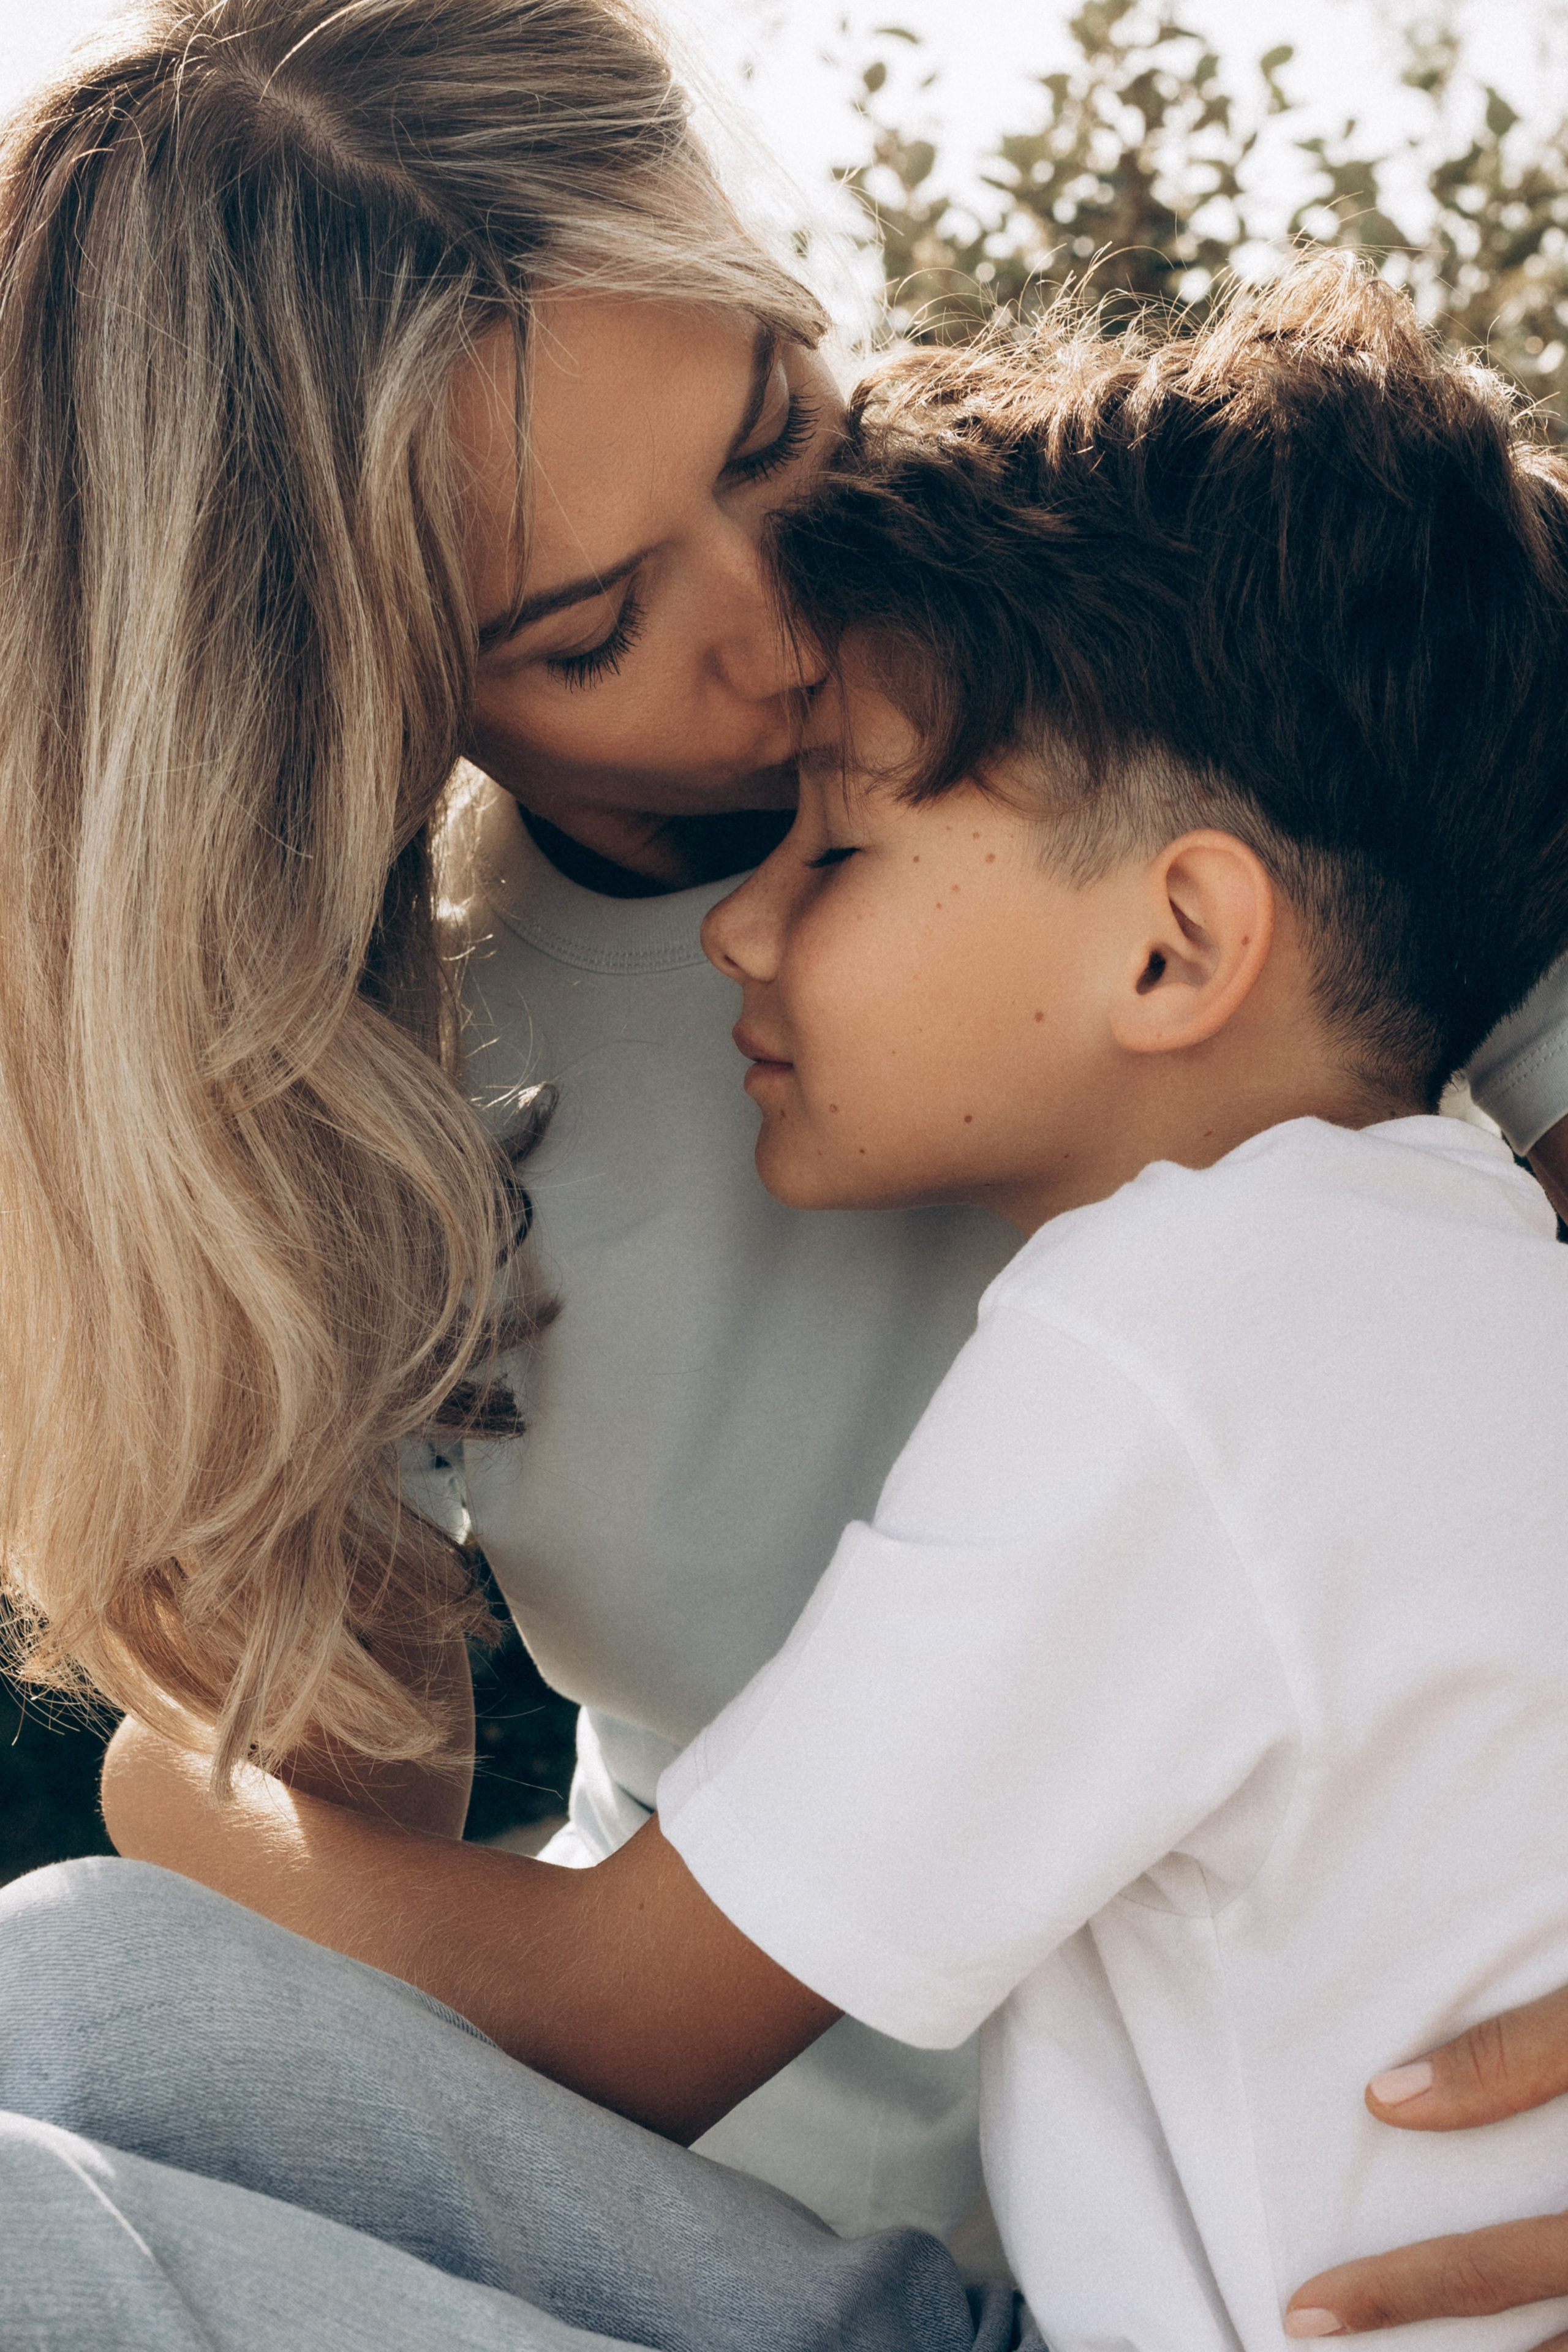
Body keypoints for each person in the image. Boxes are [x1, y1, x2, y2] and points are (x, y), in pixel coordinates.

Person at [4, 0, 1568, 2334]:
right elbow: (428, 1935)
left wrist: (157, 1792)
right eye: (594, 622)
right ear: (346, 678)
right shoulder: (359, 1077)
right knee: (63, 2000)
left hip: (1292, 2228)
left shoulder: (1215, 678)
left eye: (781, 433)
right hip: (756, 2222)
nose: (780, 633)